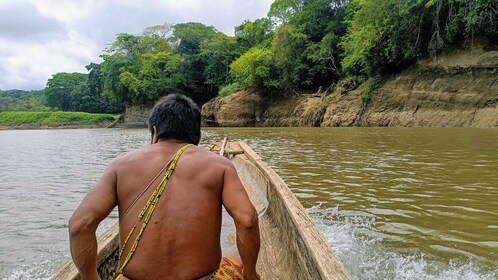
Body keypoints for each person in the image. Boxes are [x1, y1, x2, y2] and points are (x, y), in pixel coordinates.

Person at [69, 94, 261, 280]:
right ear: (197, 135)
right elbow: (247, 221)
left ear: (154, 132)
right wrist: (250, 275)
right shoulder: (220, 165)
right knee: (236, 255)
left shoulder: (119, 166)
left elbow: (79, 225)